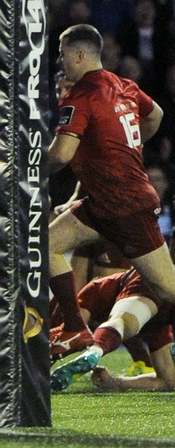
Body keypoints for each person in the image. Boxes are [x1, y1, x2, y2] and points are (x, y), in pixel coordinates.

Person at [47, 24, 175, 361]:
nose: (61, 63)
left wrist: (27, 172)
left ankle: (83, 328)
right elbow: (156, 115)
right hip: (102, 203)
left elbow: (60, 155)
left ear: (79, 54)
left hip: (126, 205)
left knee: (167, 288)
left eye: (62, 55)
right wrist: (127, 145)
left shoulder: (80, 96)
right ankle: (75, 329)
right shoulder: (124, 85)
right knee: (46, 245)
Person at [50, 267, 172, 391]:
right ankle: (102, 361)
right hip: (158, 317)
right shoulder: (158, 326)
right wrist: (116, 382)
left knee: (121, 321)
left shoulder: (96, 290)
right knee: (170, 380)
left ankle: (95, 351)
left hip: (152, 282)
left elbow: (71, 334)